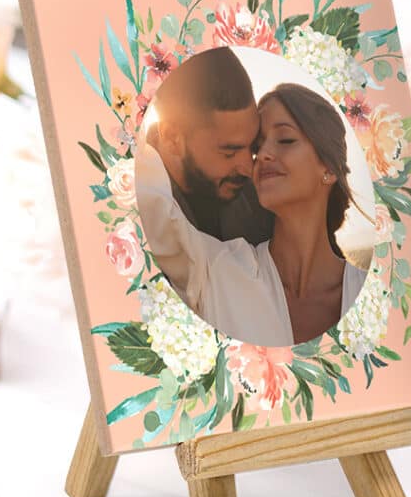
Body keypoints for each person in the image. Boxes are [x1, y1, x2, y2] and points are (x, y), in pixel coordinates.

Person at [137, 81, 370, 346]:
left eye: (285, 139)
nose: (264, 155)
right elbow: (148, 196)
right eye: (257, 148)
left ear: (328, 168)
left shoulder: (370, 294)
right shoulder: (212, 270)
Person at [148, 47, 272, 244]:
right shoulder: (138, 216)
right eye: (229, 153)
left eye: (253, 147)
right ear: (172, 138)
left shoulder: (259, 201)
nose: (249, 169)